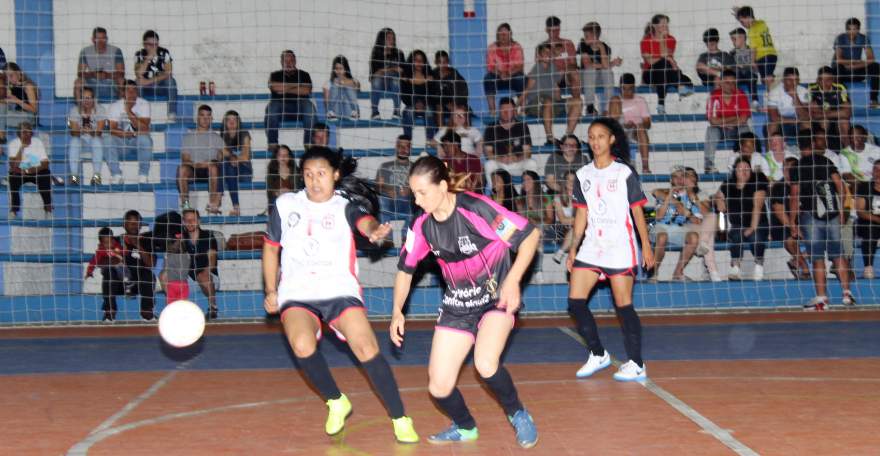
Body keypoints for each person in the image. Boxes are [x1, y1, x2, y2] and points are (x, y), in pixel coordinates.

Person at [263, 146, 419, 443]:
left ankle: (400, 417)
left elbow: (364, 222)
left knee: (365, 347)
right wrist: (271, 290)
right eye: (308, 174)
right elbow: (271, 247)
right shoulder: (285, 205)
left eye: (321, 173)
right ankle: (336, 400)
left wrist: (373, 231)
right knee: (301, 344)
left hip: (338, 289)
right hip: (297, 291)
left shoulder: (344, 204)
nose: (314, 180)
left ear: (335, 175)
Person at [391, 155, 541, 447]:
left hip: (495, 299)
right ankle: (465, 426)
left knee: (485, 363)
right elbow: (404, 271)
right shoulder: (421, 226)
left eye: (423, 193)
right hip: (458, 305)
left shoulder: (476, 209)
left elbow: (530, 236)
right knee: (438, 386)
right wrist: (397, 310)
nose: (417, 201)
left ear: (443, 186)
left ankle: (519, 414)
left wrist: (512, 280)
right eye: (414, 194)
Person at [566, 117, 653, 382]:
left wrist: (646, 247)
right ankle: (598, 354)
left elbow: (637, 212)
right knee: (575, 302)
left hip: (619, 247)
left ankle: (637, 363)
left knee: (623, 305)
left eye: (600, 136)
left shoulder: (624, 172)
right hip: (592, 245)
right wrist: (573, 249)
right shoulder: (583, 175)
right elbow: (581, 215)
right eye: (591, 137)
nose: (595, 141)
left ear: (612, 139)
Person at [790, 131, 856, 310]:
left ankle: (822, 299)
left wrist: (792, 222)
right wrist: (841, 210)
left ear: (799, 148)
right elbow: (840, 186)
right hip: (832, 214)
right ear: (812, 145)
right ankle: (847, 294)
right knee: (838, 253)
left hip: (811, 215)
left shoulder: (797, 167)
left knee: (817, 256)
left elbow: (795, 196)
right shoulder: (826, 161)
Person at [715, 157, 770, 280]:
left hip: (758, 222)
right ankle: (735, 267)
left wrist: (752, 227)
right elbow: (717, 196)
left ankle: (759, 265)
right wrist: (719, 200)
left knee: (755, 236)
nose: (744, 171)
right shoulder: (728, 184)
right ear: (735, 171)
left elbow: (758, 206)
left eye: (747, 168)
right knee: (735, 235)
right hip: (738, 224)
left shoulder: (758, 183)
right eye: (740, 169)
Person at [521, 43, 582, 146]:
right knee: (548, 100)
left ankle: (568, 136)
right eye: (546, 53)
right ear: (539, 56)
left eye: (550, 53)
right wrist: (520, 108)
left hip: (552, 104)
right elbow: (526, 91)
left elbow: (557, 94)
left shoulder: (552, 68)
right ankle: (549, 138)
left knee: (578, 101)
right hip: (536, 105)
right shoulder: (537, 69)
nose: (549, 54)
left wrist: (557, 90)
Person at [649, 168, 702, 282]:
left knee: (693, 237)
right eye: (675, 177)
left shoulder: (691, 196)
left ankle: (678, 273)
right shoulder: (664, 193)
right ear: (671, 179)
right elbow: (658, 217)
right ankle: (654, 272)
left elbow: (698, 221)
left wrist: (687, 214)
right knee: (662, 236)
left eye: (681, 176)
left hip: (678, 229)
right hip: (660, 227)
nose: (678, 179)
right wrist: (671, 199)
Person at [640, 14, 693, 114]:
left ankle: (661, 104)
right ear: (655, 26)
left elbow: (665, 55)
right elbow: (650, 61)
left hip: (666, 74)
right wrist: (666, 59)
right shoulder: (646, 41)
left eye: (666, 24)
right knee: (668, 66)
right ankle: (679, 84)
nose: (666, 26)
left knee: (664, 67)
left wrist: (662, 39)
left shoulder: (671, 39)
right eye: (663, 24)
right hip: (650, 74)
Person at [768, 157, 811, 279]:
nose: (789, 171)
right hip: (782, 225)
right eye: (787, 169)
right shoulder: (778, 187)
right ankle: (805, 269)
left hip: (802, 223)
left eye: (793, 169)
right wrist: (795, 228)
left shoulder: (805, 186)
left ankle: (795, 262)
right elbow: (779, 213)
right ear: (782, 170)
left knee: (820, 235)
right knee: (790, 239)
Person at [265, 50, 316, 149]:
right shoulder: (275, 75)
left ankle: (309, 144)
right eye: (286, 61)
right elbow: (275, 88)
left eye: (291, 60)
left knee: (310, 107)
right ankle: (273, 144)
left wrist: (284, 87)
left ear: (295, 61)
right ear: (281, 62)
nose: (288, 63)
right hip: (281, 106)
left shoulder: (304, 74)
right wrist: (297, 87)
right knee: (272, 108)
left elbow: (306, 90)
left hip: (301, 106)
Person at [177, 105, 223, 212]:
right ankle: (185, 205)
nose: (205, 118)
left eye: (208, 116)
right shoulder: (188, 137)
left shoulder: (217, 137)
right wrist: (198, 164)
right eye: (202, 115)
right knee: (182, 169)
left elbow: (221, 158)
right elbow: (185, 159)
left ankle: (212, 205)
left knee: (214, 168)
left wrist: (215, 161)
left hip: (210, 170)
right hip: (194, 170)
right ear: (197, 117)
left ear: (211, 118)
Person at [705, 70, 752, 173]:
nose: (730, 86)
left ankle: (747, 162)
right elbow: (712, 121)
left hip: (736, 129)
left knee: (745, 129)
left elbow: (744, 118)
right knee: (711, 130)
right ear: (721, 83)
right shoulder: (713, 96)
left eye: (733, 83)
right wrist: (733, 119)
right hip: (720, 131)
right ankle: (709, 165)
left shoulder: (741, 94)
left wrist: (723, 122)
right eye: (727, 82)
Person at [107, 79, 153, 184]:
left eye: (134, 90)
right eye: (128, 90)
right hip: (121, 143)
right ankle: (116, 175)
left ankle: (143, 175)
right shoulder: (115, 106)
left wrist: (128, 111)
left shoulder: (144, 104)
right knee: (107, 140)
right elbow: (112, 129)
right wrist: (126, 134)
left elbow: (145, 128)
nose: (132, 93)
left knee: (145, 140)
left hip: (137, 142)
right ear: (123, 92)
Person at [682, 167, 722, 282]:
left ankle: (702, 243)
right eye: (687, 175)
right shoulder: (677, 193)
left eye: (693, 175)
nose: (691, 178)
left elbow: (706, 212)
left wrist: (694, 197)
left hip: (702, 227)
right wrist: (690, 216)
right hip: (686, 227)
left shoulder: (702, 193)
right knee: (708, 237)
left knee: (712, 217)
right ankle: (713, 271)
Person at [483, 97, 537, 180]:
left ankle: (531, 192)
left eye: (509, 110)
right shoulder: (491, 127)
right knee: (488, 165)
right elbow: (488, 152)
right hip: (500, 165)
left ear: (514, 111)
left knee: (531, 163)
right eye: (503, 110)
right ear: (499, 111)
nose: (505, 112)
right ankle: (493, 192)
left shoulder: (522, 126)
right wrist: (500, 159)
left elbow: (528, 152)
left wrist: (517, 159)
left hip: (517, 164)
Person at [832, 18, 880, 109]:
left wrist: (856, 65)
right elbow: (839, 60)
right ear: (846, 30)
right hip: (843, 73)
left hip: (856, 71)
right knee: (837, 68)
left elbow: (871, 59)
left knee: (876, 66)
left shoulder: (863, 38)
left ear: (858, 29)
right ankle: (843, 101)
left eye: (855, 29)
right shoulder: (840, 38)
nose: (852, 32)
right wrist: (854, 63)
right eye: (849, 29)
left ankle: (873, 100)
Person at [7, 122, 52, 218]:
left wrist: (32, 170)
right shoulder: (13, 144)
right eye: (24, 132)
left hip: (35, 171)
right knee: (13, 177)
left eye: (29, 132)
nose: (27, 134)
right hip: (20, 172)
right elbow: (13, 165)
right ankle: (14, 210)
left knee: (46, 174)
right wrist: (22, 148)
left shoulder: (37, 142)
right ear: (19, 134)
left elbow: (45, 163)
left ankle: (48, 209)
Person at [119, 210, 156, 320]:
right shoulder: (117, 240)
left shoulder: (147, 240)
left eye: (137, 223)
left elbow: (151, 264)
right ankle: (109, 313)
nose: (134, 226)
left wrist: (138, 245)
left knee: (148, 275)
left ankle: (146, 312)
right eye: (131, 223)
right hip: (122, 280)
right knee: (109, 274)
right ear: (124, 225)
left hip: (140, 280)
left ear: (140, 225)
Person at [182, 209, 219, 319]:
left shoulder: (208, 236)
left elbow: (212, 260)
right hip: (188, 278)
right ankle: (176, 310)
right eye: (187, 220)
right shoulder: (180, 238)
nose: (190, 223)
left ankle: (213, 307)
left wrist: (203, 274)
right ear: (183, 222)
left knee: (202, 276)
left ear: (198, 221)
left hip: (209, 279)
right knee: (166, 275)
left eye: (193, 220)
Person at [612, 73, 653, 173]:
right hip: (620, 130)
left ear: (634, 88)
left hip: (635, 131)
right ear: (620, 87)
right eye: (624, 88)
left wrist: (637, 125)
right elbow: (611, 122)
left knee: (641, 129)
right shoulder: (616, 100)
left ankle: (645, 166)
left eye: (629, 89)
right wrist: (624, 125)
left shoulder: (640, 100)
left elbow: (648, 124)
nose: (626, 92)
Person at [67, 86, 108, 185]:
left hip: (97, 139)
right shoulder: (75, 110)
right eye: (84, 98)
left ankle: (96, 176)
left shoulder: (100, 109)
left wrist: (89, 131)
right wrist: (81, 131)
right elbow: (73, 132)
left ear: (93, 99)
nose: (87, 100)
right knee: (74, 141)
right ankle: (74, 177)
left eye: (89, 98)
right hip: (82, 140)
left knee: (96, 140)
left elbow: (99, 132)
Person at [578, 21, 622, 114]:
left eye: (587, 36)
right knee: (590, 70)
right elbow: (588, 65)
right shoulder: (582, 45)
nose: (584, 38)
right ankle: (590, 107)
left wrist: (601, 47)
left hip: (600, 78)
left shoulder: (605, 47)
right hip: (586, 79)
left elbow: (605, 67)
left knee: (608, 72)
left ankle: (607, 107)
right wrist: (612, 64)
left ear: (595, 36)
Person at [85, 227, 127, 322]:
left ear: (113, 239)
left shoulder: (117, 246)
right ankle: (109, 310)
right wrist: (89, 271)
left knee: (121, 268)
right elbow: (94, 261)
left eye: (111, 241)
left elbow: (124, 254)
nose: (109, 244)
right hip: (110, 276)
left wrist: (121, 251)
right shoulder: (101, 251)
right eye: (106, 242)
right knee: (108, 276)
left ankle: (128, 283)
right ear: (101, 243)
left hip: (120, 273)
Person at [134, 30, 179, 120]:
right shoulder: (139, 54)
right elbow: (139, 73)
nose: (153, 47)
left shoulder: (164, 52)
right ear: (144, 44)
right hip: (146, 88)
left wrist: (148, 81)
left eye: (155, 44)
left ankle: (172, 114)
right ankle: (141, 114)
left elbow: (168, 73)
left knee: (171, 81)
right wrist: (148, 58)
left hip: (160, 86)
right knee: (137, 82)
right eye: (150, 44)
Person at [484, 23, 525, 118]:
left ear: (510, 34)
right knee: (488, 78)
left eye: (505, 34)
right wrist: (501, 73)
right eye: (500, 34)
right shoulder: (492, 47)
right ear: (497, 35)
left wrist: (509, 73)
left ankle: (522, 110)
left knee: (521, 78)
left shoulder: (516, 46)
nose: (503, 36)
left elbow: (519, 66)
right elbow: (490, 66)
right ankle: (492, 112)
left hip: (513, 77)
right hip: (498, 77)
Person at [74, 27, 124, 102]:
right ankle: (80, 109)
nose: (100, 41)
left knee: (122, 81)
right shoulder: (85, 51)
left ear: (107, 39)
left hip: (111, 82)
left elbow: (121, 73)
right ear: (93, 39)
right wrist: (93, 74)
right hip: (92, 82)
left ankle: (121, 108)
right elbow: (80, 73)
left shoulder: (116, 51)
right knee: (78, 82)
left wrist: (107, 75)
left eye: (103, 38)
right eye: (98, 38)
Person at [734, 6, 778, 88]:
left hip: (764, 56)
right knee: (765, 78)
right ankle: (771, 91)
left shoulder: (752, 31)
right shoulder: (762, 23)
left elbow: (754, 49)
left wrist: (752, 61)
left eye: (742, 22)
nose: (742, 25)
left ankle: (772, 92)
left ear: (748, 18)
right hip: (771, 55)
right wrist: (740, 14)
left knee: (767, 78)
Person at [809, 66, 852, 150]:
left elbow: (847, 113)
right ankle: (825, 152)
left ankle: (849, 152)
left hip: (836, 120)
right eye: (821, 80)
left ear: (833, 79)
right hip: (820, 122)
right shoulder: (812, 88)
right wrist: (837, 112)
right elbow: (813, 114)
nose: (824, 83)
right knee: (824, 121)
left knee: (844, 121)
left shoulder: (840, 88)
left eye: (828, 80)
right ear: (818, 80)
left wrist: (823, 113)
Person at [220, 110, 252, 216]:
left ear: (239, 122)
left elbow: (246, 156)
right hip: (229, 172)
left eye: (234, 119)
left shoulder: (244, 134)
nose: (232, 122)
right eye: (229, 120)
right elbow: (221, 155)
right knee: (226, 165)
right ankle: (236, 207)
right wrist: (231, 158)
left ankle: (218, 198)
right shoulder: (222, 136)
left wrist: (234, 159)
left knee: (227, 164)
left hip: (244, 172)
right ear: (225, 123)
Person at [375, 135, 414, 222]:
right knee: (381, 200)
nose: (403, 149)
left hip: (407, 202)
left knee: (416, 202)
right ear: (396, 147)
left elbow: (422, 187)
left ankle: (406, 235)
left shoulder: (416, 167)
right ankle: (387, 235)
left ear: (411, 148)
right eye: (400, 146)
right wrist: (387, 189)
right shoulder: (384, 166)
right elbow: (377, 187)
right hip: (389, 202)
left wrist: (410, 190)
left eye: (406, 147)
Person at [369, 28, 404, 120]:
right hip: (380, 84)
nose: (392, 41)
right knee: (376, 80)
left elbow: (401, 71)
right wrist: (393, 69)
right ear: (382, 39)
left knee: (396, 80)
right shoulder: (376, 54)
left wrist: (384, 71)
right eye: (388, 38)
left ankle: (397, 111)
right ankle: (375, 112)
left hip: (394, 85)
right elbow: (374, 75)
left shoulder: (399, 53)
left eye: (393, 38)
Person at [766, 67, 810, 140]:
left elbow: (806, 116)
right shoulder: (774, 92)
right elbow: (773, 117)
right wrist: (793, 121)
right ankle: (770, 151)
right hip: (781, 123)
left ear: (798, 81)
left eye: (795, 80)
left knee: (807, 124)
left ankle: (806, 149)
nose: (793, 83)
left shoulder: (805, 92)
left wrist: (795, 97)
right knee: (772, 126)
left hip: (798, 123)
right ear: (783, 80)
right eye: (790, 80)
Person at [401, 49, 435, 140]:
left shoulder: (430, 75)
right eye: (416, 60)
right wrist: (415, 103)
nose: (419, 63)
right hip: (411, 105)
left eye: (421, 60)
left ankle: (430, 140)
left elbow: (433, 95)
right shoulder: (406, 76)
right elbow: (404, 97)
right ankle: (407, 141)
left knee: (429, 111)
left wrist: (423, 103)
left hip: (427, 105)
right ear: (411, 61)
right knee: (408, 112)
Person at [854, 159, 880, 278]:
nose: (878, 173)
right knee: (871, 230)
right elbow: (861, 211)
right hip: (867, 222)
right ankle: (868, 268)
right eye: (875, 169)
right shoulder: (865, 186)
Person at [430, 51, 469, 128]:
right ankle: (441, 132)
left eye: (445, 62)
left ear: (448, 62)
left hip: (454, 103)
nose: (442, 65)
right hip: (439, 104)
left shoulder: (455, 75)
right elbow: (431, 93)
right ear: (435, 62)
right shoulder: (432, 75)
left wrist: (455, 103)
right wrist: (446, 103)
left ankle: (451, 133)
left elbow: (463, 92)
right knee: (439, 107)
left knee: (460, 109)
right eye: (440, 62)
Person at [322, 55, 360, 121]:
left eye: (341, 68)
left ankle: (355, 112)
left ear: (346, 69)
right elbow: (326, 102)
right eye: (336, 68)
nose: (339, 71)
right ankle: (330, 113)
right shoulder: (329, 82)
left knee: (348, 86)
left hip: (349, 112)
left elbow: (358, 86)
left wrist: (343, 83)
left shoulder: (353, 80)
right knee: (334, 85)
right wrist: (336, 83)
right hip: (335, 113)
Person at [729, 28, 760, 107]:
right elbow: (731, 68)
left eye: (734, 39)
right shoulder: (732, 53)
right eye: (732, 39)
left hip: (750, 75)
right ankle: (736, 101)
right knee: (736, 74)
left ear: (742, 38)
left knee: (750, 75)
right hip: (738, 76)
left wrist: (751, 65)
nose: (733, 41)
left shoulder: (752, 51)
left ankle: (754, 101)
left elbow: (756, 69)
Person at [4, 62, 39, 130]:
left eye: (11, 75)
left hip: (28, 118)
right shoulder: (13, 86)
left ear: (18, 72)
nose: (9, 79)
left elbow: (34, 110)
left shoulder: (28, 86)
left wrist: (17, 100)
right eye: (6, 77)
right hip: (17, 114)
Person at [551, 171, 576, 263]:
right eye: (568, 180)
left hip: (574, 231)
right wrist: (579, 220)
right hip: (559, 229)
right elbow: (563, 220)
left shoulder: (581, 198)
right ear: (564, 182)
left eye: (573, 180)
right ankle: (561, 252)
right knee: (577, 228)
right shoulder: (557, 198)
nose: (571, 183)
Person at [265, 144, 298, 213]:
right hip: (277, 202)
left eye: (286, 155)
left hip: (293, 201)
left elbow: (300, 190)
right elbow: (269, 192)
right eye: (280, 155)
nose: (283, 157)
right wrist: (277, 193)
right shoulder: (271, 172)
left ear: (289, 157)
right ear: (276, 157)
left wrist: (290, 192)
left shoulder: (296, 171)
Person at [162, 236, 190, 305]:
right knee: (182, 305)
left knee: (170, 305)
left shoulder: (167, 256)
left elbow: (165, 270)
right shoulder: (187, 256)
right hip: (183, 284)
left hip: (172, 284)